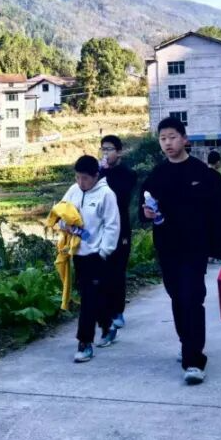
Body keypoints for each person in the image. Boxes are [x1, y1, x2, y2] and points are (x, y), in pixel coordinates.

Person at [139, 117, 221, 385]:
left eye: (172, 137)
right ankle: (186, 343)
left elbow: (217, 213)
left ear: (185, 139)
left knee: (192, 298)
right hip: (167, 247)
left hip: (195, 248)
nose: (167, 143)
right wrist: (145, 213)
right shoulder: (157, 175)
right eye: (163, 139)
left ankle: (194, 360)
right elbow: (142, 209)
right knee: (178, 298)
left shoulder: (204, 174)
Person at [60, 155, 121, 363]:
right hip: (78, 253)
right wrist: (66, 226)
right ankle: (107, 325)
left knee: (88, 298)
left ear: (96, 176)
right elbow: (61, 213)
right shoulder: (73, 190)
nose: (81, 182)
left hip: (97, 255)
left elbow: (112, 226)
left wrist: (104, 252)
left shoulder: (106, 194)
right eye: (77, 177)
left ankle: (84, 342)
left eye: (85, 178)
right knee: (92, 295)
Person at [99, 135, 137, 331]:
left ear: (119, 152)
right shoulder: (99, 173)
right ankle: (105, 310)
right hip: (101, 230)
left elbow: (119, 195)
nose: (105, 153)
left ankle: (118, 311)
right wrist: (100, 172)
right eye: (103, 149)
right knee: (103, 271)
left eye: (109, 149)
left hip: (121, 230)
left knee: (117, 271)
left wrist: (105, 172)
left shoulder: (127, 174)